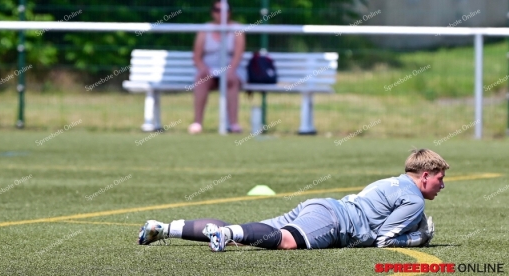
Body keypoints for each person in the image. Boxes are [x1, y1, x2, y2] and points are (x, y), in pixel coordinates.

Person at [138, 148, 447, 251]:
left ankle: (163, 228)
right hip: (333, 221)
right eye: (439, 177)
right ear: (424, 175)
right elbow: (383, 240)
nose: (441, 184)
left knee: (247, 231)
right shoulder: (414, 200)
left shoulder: (391, 181)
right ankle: (226, 234)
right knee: (285, 241)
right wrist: (419, 238)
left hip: (322, 207)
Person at [188, 0, 246, 134]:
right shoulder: (205, 30)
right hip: (210, 70)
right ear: (212, 12)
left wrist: (231, 70)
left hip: (231, 69)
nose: (220, 14)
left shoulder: (237, 29)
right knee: (201, 79)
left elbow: (238, 55)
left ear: (230, 13)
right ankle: (197, 123)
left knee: (231, 81)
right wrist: (204, 69)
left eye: (224, 11)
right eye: (217, 10)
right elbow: (196, 57)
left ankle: (233, 124)